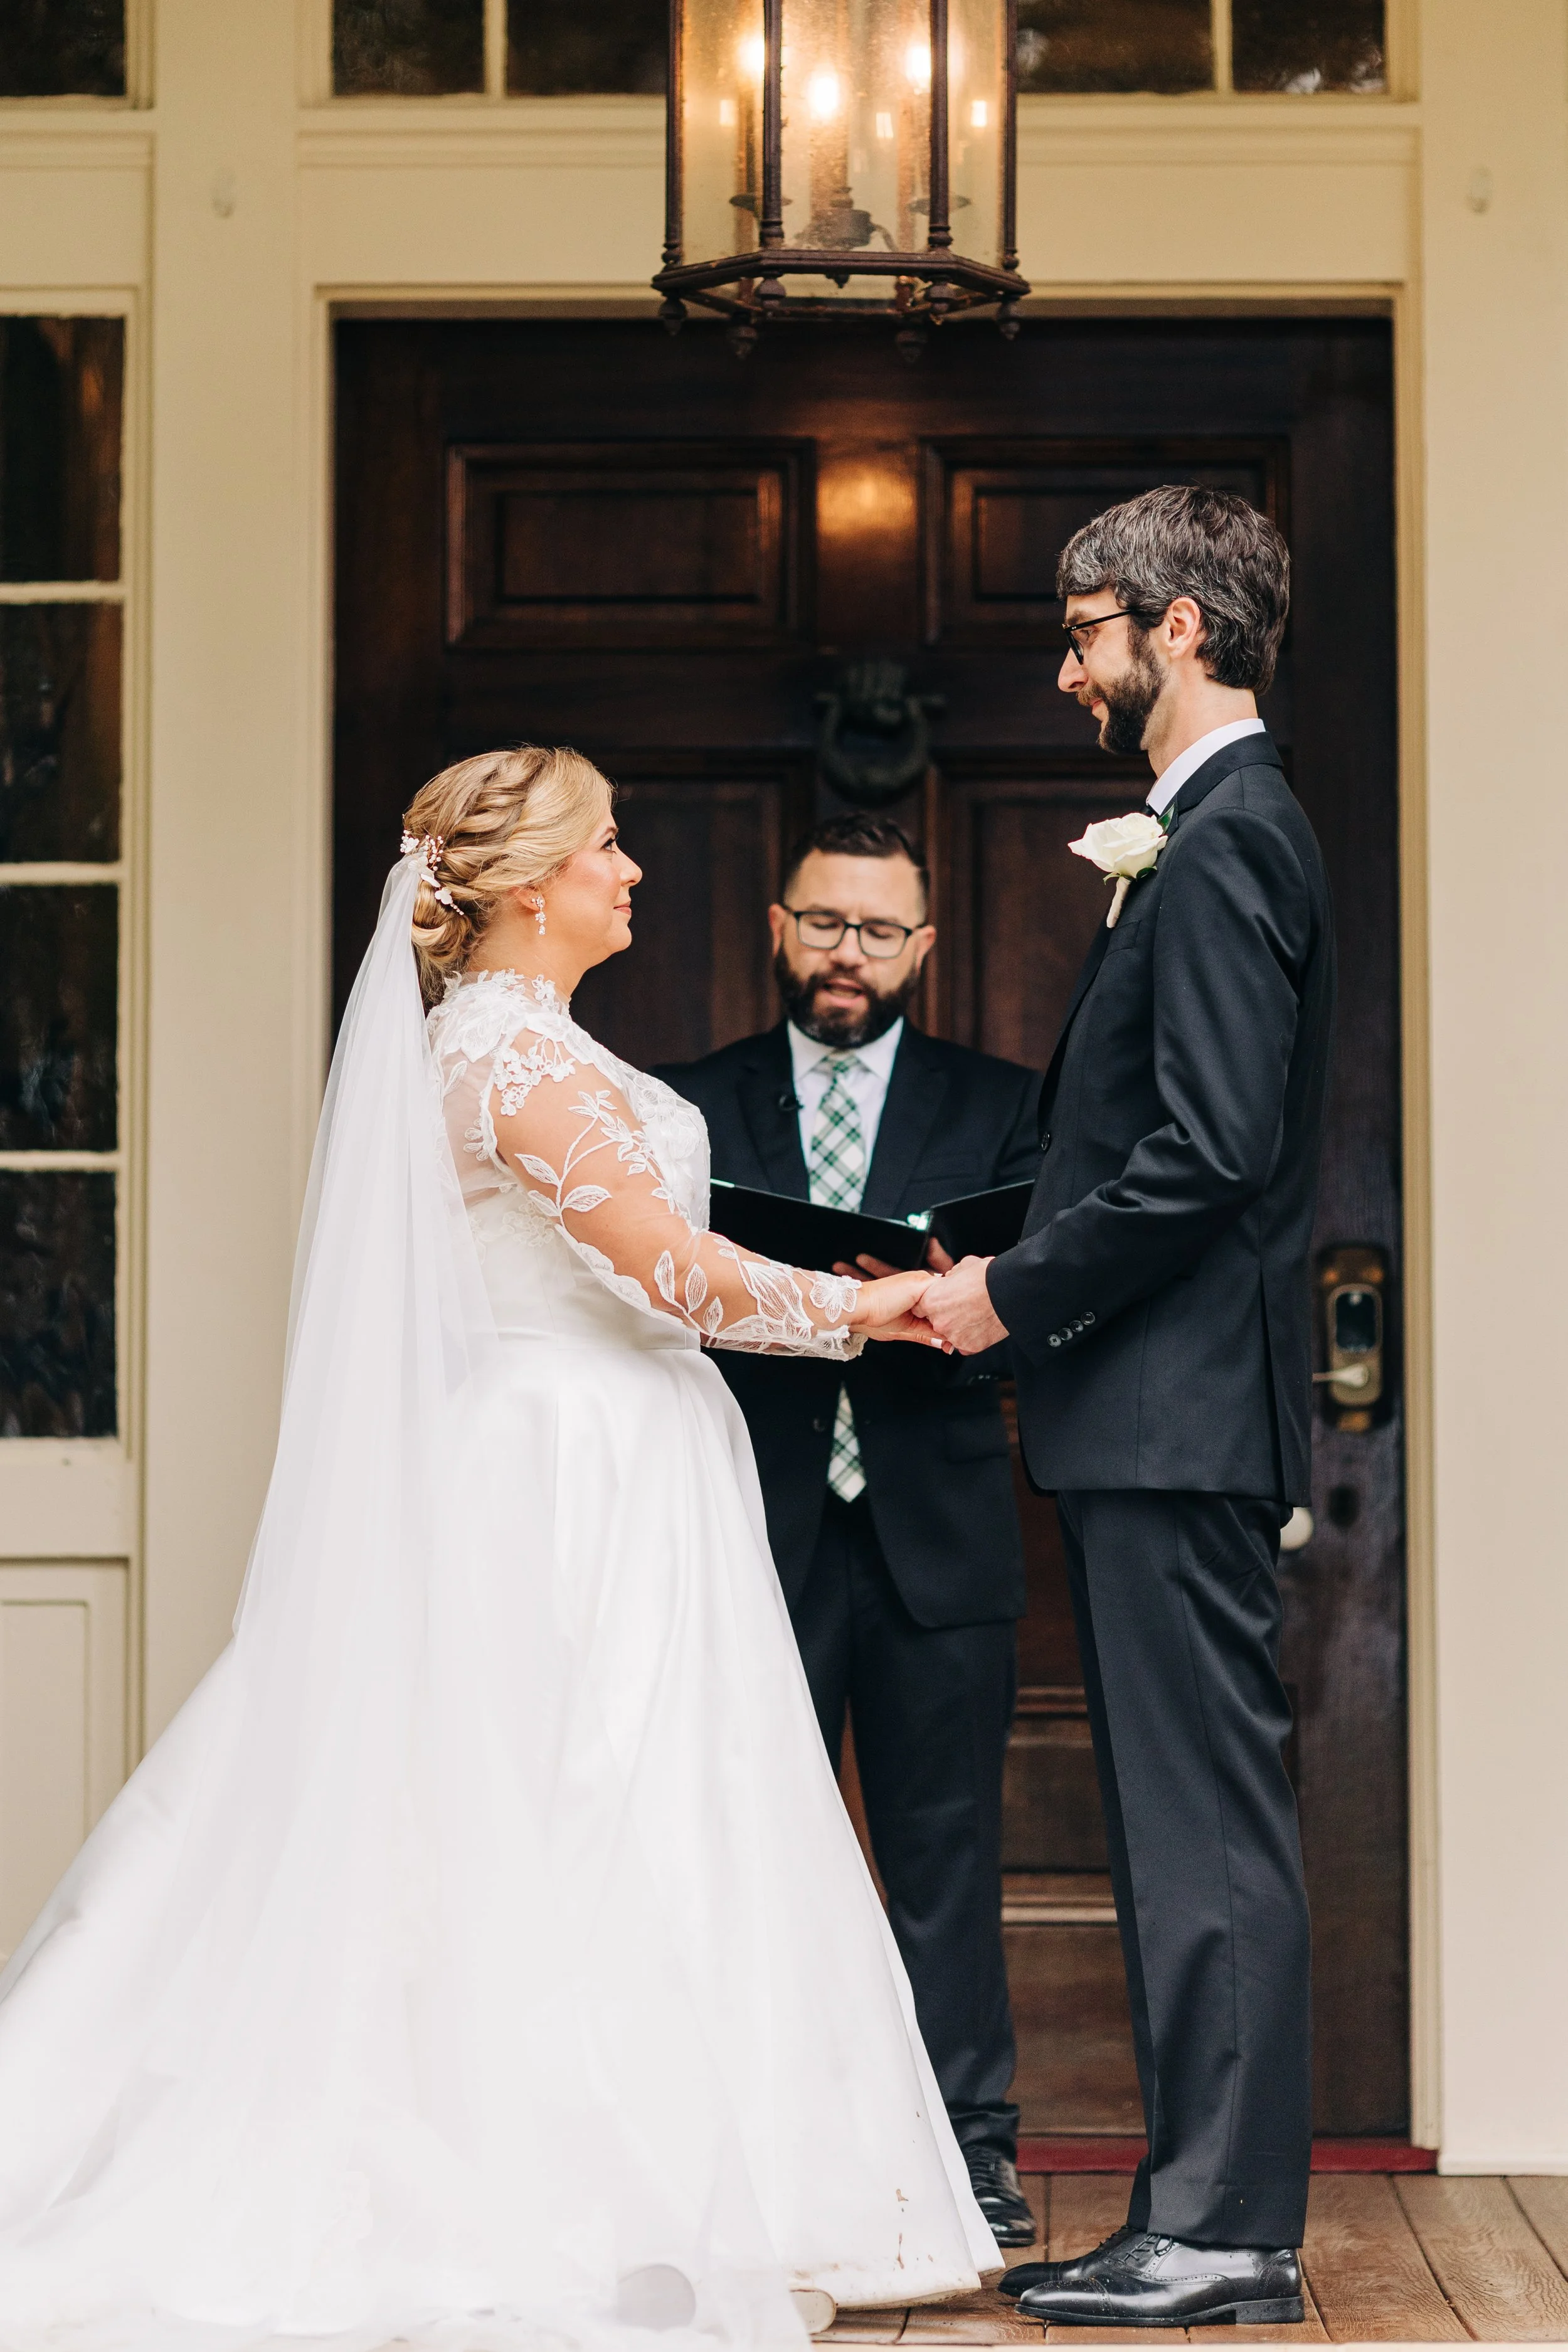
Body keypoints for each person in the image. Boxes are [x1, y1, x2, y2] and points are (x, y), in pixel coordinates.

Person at [0, 748, 1002, 2351]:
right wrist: (867, 1307)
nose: (633, 871)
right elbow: (662, 1274)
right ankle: (558, 2198)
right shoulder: (503, 1063)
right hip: (559, 1480)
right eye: (608, 846)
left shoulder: (534, 1047)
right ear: (532, 884)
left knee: (639, 1815)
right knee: (555, 1814)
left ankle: (676, 2187)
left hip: (624, 1463)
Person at [919, 485, 1334, 2329]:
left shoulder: (1232, 833)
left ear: (1178, 627)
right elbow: (1159, 1147)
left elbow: (1211, 1153)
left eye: (1087, 626)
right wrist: (964, 1254)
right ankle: (1197, 2210)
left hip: (1172, 1423)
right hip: (1146, 1418)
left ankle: (1225, 2227)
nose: (1068, 662)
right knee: (1181, 1828)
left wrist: (1008, 1289)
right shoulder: (1210, 827)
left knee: (1202, 1830)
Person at [656, 816, 1041, 2250]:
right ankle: (747, 2151)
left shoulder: (1001, 1104)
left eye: (878, 931)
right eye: (823, 923)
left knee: (945, 1858)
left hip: (934, 1534)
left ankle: (971, 2153)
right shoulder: (686, 1106)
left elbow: (1042, 1318)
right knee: (744, 1852)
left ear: (923, 949)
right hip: (748, 1532)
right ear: (776, 925)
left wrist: (957, 1303)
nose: (846, 954)